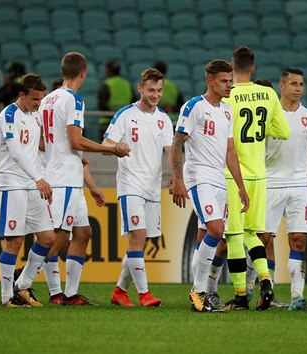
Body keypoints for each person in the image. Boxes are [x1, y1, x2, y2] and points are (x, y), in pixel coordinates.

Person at [39, 52, 130, 306]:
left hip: (68, 176)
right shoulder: (73, 100)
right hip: (63, 178)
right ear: (83, 73)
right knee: (57, 238)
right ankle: (26, 282)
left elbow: (45, 143)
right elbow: (76, 141)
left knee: (83, 233)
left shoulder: (47, 100)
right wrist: (111, 148)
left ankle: (70, 294)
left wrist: (91, 185)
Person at [171, 59, 249, 312]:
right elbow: (177, 142)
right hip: (198, 176)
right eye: (224, 81)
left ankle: (200, 296)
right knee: (217, 230)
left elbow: (230, 151)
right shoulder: (194, 107)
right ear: (210, 81)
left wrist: (240, 186)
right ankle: (199, 291)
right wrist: (178, 179)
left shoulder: (228, 111)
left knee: (206, 234)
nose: (229, 85)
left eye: (230, 81)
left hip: (218, 178)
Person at [220, 46, 291, 311]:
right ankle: (266, 280)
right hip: (259, 175)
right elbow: (283, 131)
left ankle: (240, 297)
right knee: (253, 234)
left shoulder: (228, 96)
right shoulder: (269, 94)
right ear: (253, 68)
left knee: (234, 236)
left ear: (231, 65)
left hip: (233, 175)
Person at [103, 68, 173, 307]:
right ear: (140, 88)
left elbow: (171, 149)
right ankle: (144, 294)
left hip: (153, 187)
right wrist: (116, 147)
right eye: (151, 90)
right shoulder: (125, 115)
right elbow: (107, 142)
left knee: (140, 242)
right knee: (138, 236)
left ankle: (119, 291)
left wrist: (177, 175)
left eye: (159, 90)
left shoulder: (163, 119)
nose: (155, 95)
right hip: (130, 184)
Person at [262, 68, 307, 311]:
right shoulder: (268, 114)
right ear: (281, 86)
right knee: (264, 239)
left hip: (300, 184)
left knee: (299, 239)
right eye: (293, 83)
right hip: (269, 183)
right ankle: (265, 295)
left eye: (301, 84)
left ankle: (297, 296)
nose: (298, 88)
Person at [0, 73, 56, 307]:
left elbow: (37, 145)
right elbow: (17, 152)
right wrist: (39, 178)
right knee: (15, 241)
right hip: (12, 184)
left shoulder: (35, 115)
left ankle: (22, 285)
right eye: (34, 99)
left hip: (32, 184)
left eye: (41, 99)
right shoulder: (8, 115)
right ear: (22, 95)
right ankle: (5, 297)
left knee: (48, 238)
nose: (39, 103)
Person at [97, 59, 135, 132]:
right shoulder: (127, 84)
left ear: (108, 71)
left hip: (107, 124)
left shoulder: (106, 84)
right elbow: (134, 103)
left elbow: (102, 105)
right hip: (125, 123)